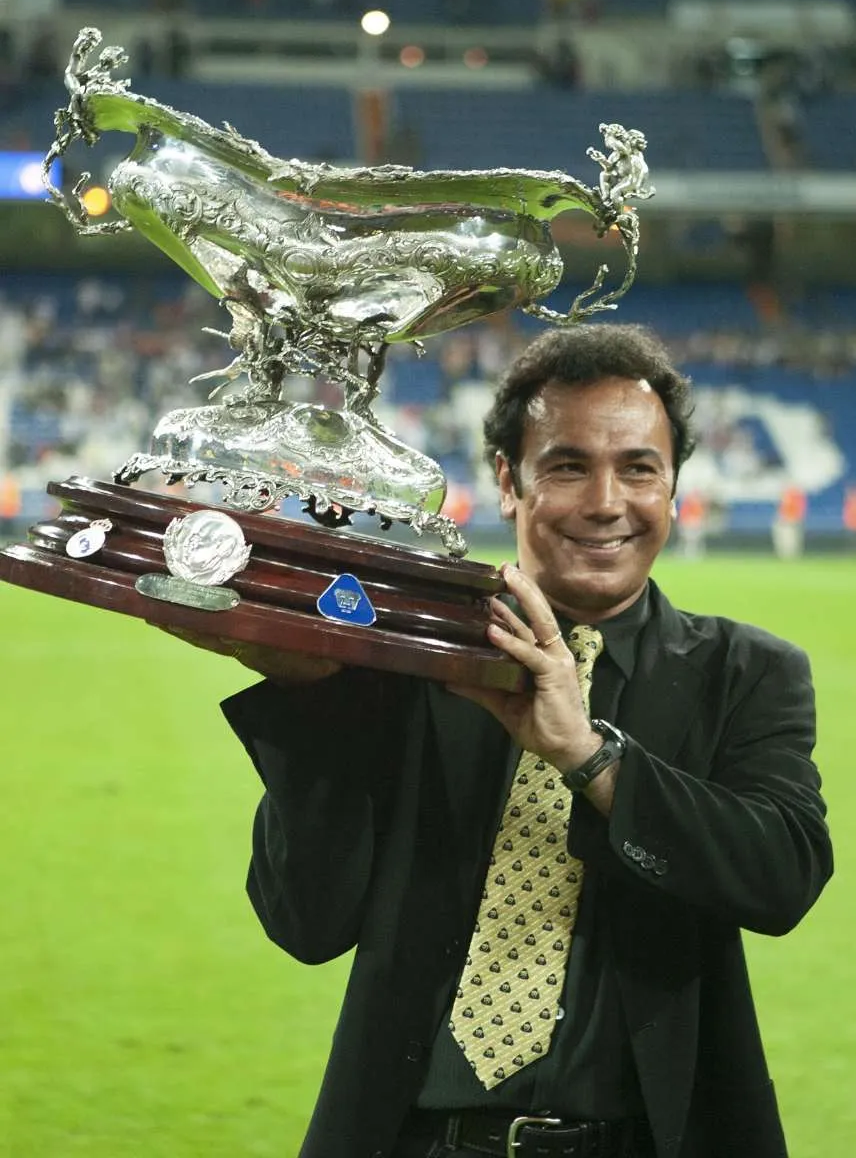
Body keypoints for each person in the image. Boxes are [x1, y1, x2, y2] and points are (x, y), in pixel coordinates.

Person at [183, 323, 831, 1158]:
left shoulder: (748, 672)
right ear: (506, 481)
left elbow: (781, 877)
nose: (607, 502)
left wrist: (589, 757)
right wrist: (311, 700)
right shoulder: (411, 657)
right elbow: (306, 923)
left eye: (639, 468)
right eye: (568, 466)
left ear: (674, 487)